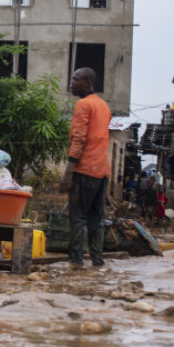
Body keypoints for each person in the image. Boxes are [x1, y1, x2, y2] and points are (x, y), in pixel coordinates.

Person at [57, 67, 112, 268]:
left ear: (88, 83)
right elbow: (102, 141)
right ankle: (97, 261)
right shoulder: (104, 106)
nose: (72, 82)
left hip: (84, 170)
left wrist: (67, 173)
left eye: (76, 79)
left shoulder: (83, 105)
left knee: (78, 217)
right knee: (96, 219)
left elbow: (79, 139)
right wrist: (106, 183)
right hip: (101, 172)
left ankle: (76, 262)